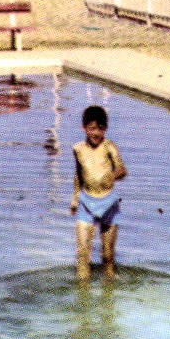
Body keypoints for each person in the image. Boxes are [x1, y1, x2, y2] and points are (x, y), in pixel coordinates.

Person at [70, 105, 127, 279]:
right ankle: (83, 301)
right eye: (92, 128)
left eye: (100, 129)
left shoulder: (109, 147)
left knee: (107, 256)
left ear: (106, 128)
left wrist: (112, 175)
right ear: (84, 128)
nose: (96, 133)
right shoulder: (78, 149)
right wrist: (74, 199)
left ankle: (108, 301)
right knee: (82, 256)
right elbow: (78, 175)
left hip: (108, 202)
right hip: (86, 202)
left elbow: (122, 169)